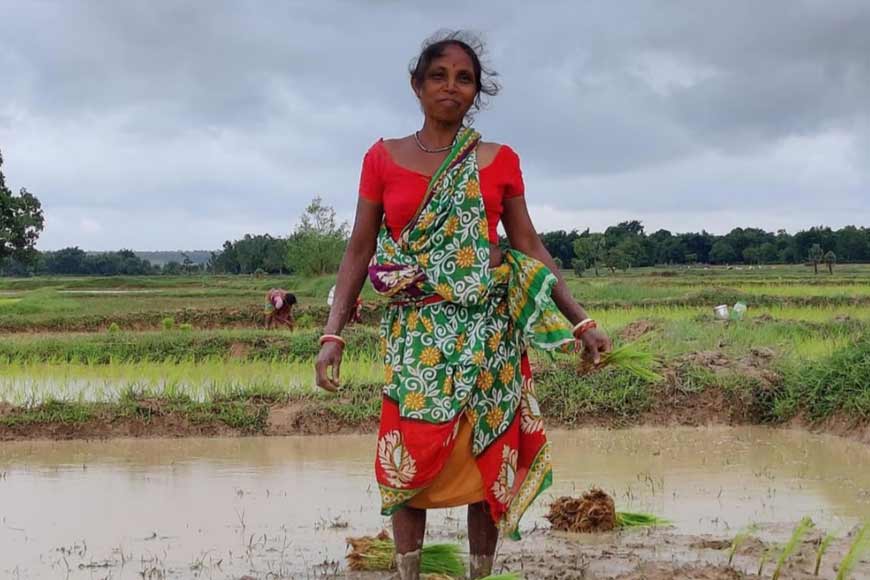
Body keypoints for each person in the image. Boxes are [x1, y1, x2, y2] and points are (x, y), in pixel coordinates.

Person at [315, 31, 611, 580]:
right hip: (417, 336)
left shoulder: (499, 161)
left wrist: (581, 319)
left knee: (487, 454)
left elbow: (529, 245)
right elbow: (359, 247)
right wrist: (334, 333)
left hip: (490, 333)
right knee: (410, 455)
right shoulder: (381, 159)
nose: (451, 87)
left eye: (464, 78)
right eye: (439, 76)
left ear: (477, 92)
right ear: (417, 85)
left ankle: (482, 573)